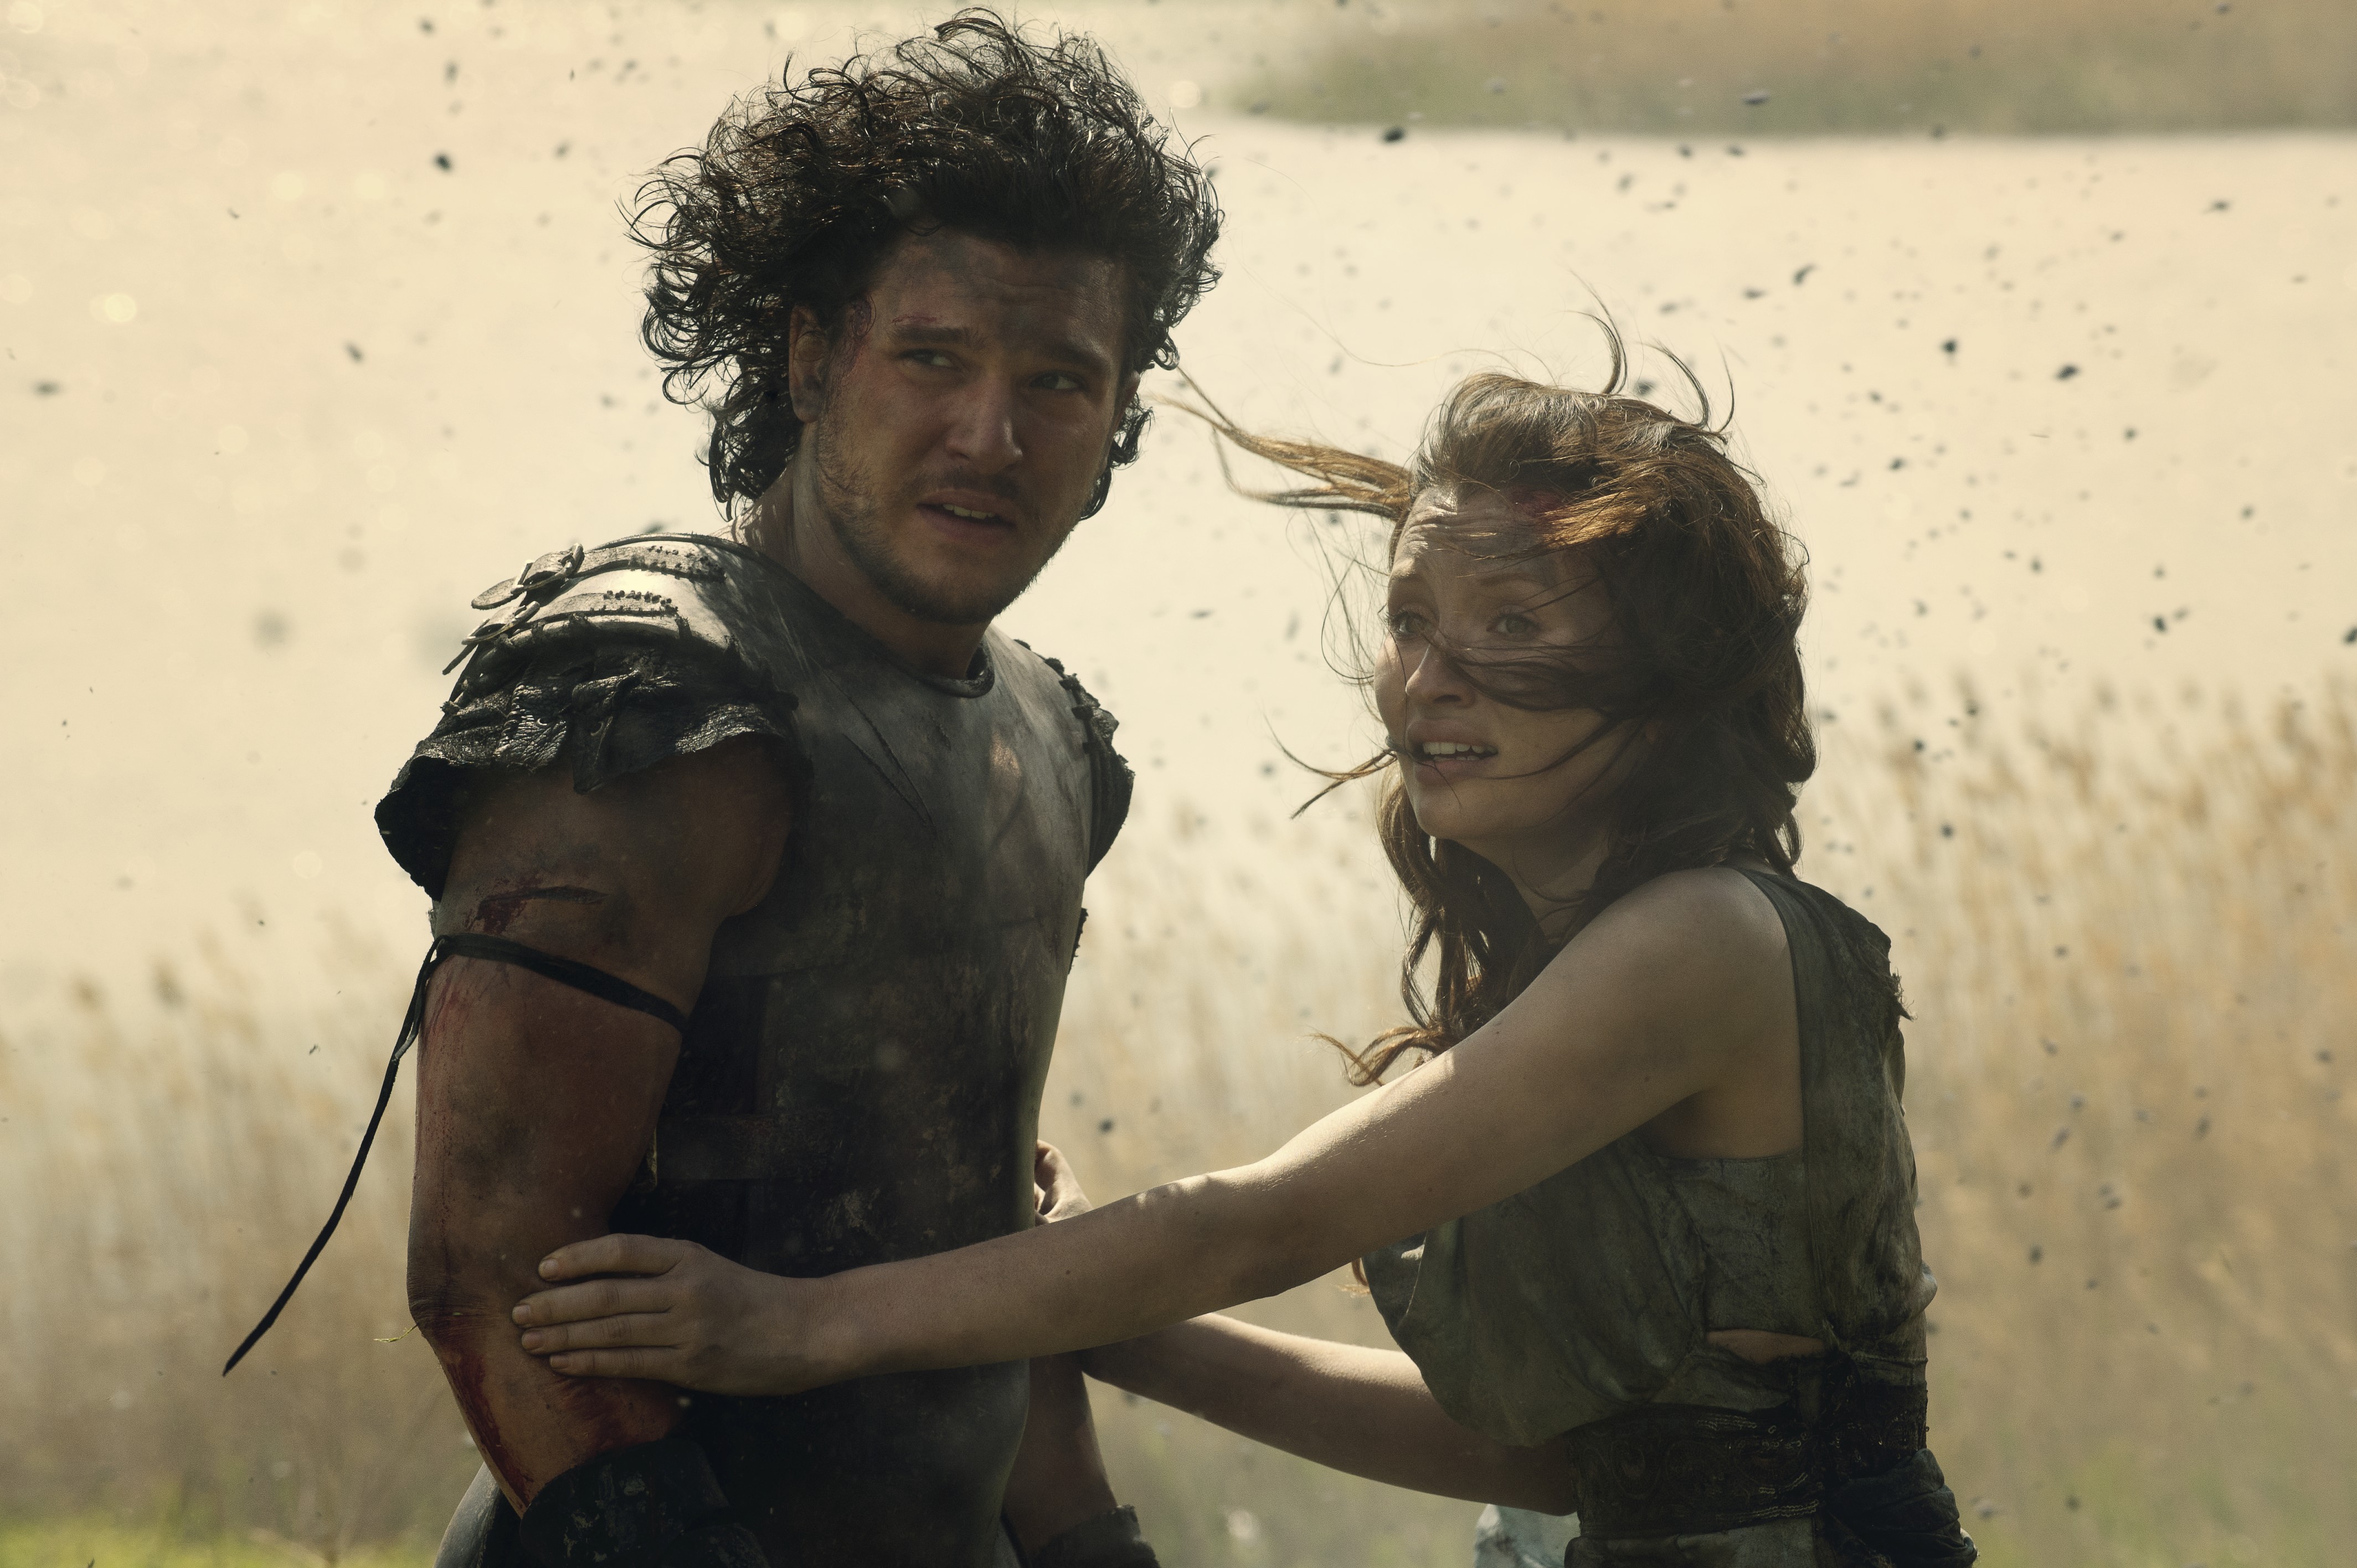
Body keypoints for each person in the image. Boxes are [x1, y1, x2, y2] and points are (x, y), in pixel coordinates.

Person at [501, 352, 1983, 1566]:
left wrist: (794, 1326)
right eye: (1411, 620)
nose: (1427, 680)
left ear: (1670, 681)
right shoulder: (1622, 957)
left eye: (1512, 624)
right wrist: (1110, 1330)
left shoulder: (1702, 942)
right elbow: (1560, 1463)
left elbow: (1262, 1225)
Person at [227, 13, 1221, 1568]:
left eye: (1058, 380)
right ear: (811, 354)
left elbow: (976, 1254)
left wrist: (1089, 1547)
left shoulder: (1050, 742)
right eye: (934, 358)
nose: (991, 435)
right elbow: (494, 1270)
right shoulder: (652, 708)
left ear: (1114, 416)